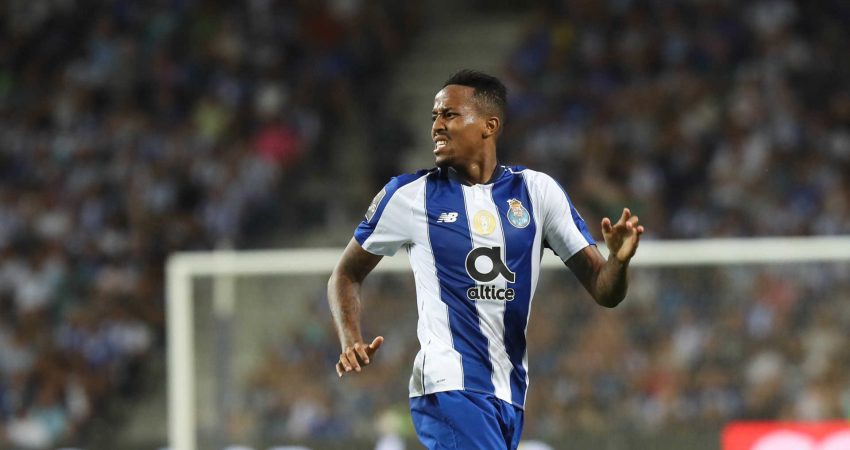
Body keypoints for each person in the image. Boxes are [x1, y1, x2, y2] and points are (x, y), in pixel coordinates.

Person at [327, 69, 644, 449]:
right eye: (434, 116)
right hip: (449, 387)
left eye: (450, 115)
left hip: (508, 396)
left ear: (489, 126)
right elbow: (346, 273)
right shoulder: (409, 196)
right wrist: (350, 338)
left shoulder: (537, 193)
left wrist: (618, 261)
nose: (437, 126)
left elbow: (605, 291)